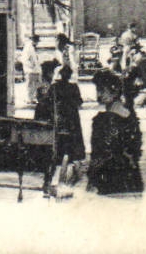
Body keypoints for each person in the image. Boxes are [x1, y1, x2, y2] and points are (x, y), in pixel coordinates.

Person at [87, 71, 143, 196]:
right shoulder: (129, 115)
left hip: (110, 179)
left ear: (115, 90)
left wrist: (92, 177)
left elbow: (100, 153)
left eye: (102, 90)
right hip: (131, 177)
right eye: (97, 90)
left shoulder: (103, 120)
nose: (99, 94)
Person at [43, 65, 87, 195]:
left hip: (59, 116)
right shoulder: (73, 87)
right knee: (73, 137)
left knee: (58, 136)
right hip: (71, 117)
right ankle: (72, 156)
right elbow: (79, 102)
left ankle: (59, 155)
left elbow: (48, 102)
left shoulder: (54, 87)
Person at [21, 36, 42, 109]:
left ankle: (32, 98)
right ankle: (29, 99)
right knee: (30, 85)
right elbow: (24, 59)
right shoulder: (28, 47)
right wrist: (31, 66)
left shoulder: (32, 47)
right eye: (37, 41)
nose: (37, 43)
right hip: (30, 70)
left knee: (35, 85)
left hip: (35, 70)